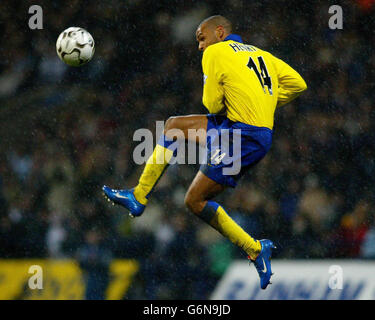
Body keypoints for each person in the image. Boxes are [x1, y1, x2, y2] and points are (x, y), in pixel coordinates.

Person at [103, 15, 307, 289]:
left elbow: (211, 104)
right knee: (174, 126)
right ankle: (138, 196)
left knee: (194, 201)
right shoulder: (261, 54)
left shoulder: (215, 51)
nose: (200, 46)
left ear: (220, 32)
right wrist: (265, 102)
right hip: (244, 128)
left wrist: (244, 102)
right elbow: (298, 84)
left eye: (201, 38)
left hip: (243, 135)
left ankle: (256, 249)